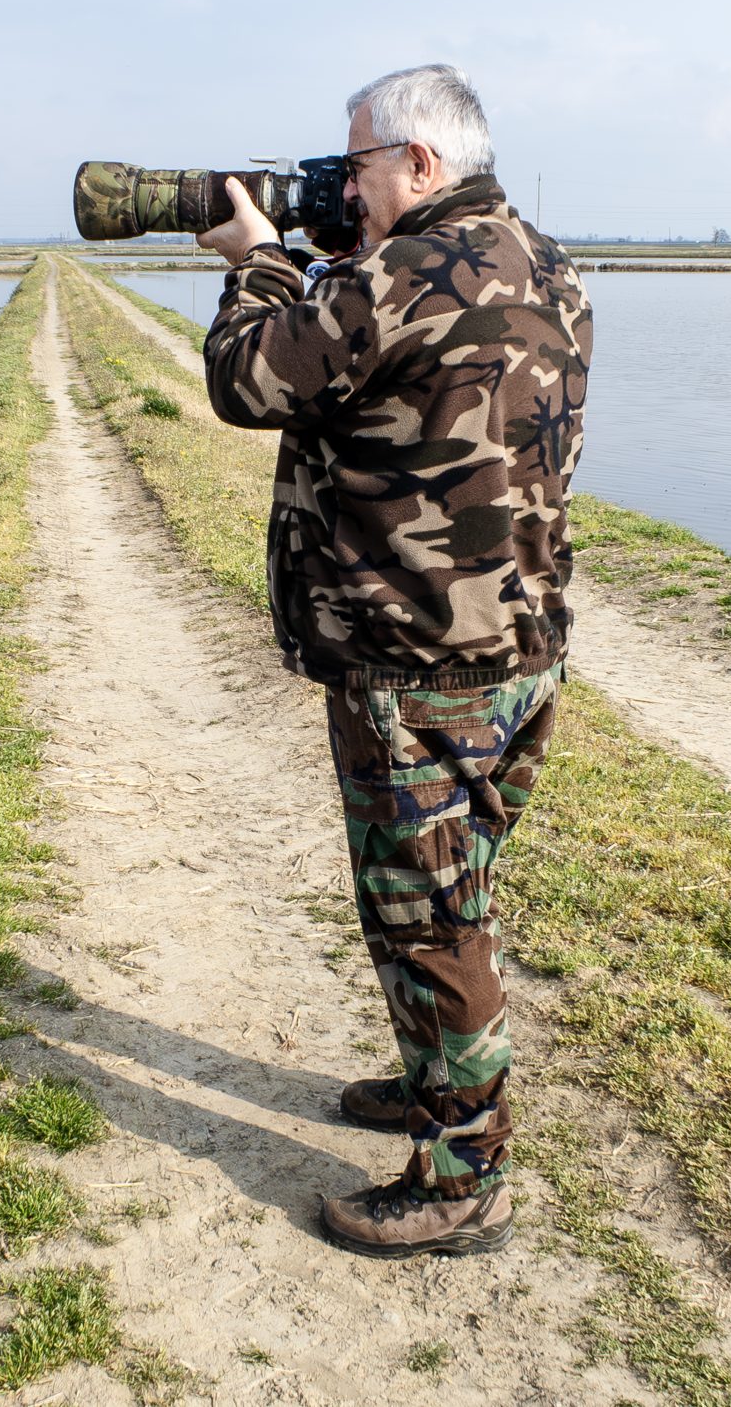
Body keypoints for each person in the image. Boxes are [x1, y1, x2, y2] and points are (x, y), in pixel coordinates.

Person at [196, 64, 592, 1258]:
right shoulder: (541, 256)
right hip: (515, 646)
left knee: (425, 920)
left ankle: (461, 1177)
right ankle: (439, 1085)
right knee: (447, 897)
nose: (344, 183)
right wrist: (334, 244)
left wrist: (255, 257)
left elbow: (246, 378)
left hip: (416, 660)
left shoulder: (399, 274)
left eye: (357, 164)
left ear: (421, 163)